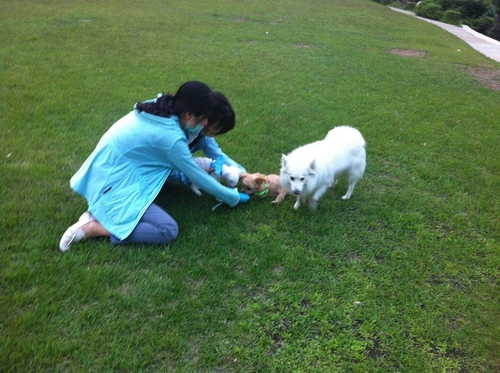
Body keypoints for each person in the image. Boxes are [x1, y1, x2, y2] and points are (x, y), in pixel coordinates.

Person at [59, 81, 249, 252]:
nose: (207, 124)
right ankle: (94, 227)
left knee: (164, 188)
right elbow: (199, 178)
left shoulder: (165, 108)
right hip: (116, 179)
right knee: (167, 230)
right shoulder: (171, 138)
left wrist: (244, 174)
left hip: (113, 169)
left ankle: (104, 212)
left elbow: (215, 155)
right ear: (190, 113)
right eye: (205, 119)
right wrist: (231, 197)